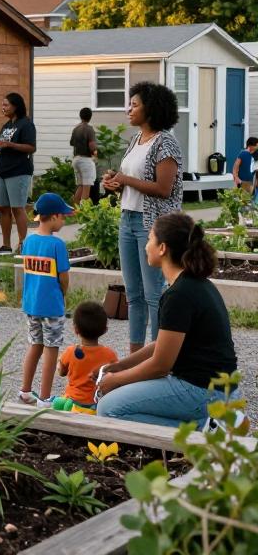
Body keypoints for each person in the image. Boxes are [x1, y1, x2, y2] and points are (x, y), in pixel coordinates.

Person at [96, 213, 246, 430]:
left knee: (108, 408)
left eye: (149, 239)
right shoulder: (195, 284)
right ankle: (212, 424)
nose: (146, 246)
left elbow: (160, 366)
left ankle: (206, 429)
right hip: (219, 389)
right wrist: (120, 366)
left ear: (162, 248)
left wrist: (117, 380)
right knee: (120, 398)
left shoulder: (179, 295)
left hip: (204, 392)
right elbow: (163, 345)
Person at [103, 82, 183, 352]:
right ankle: (135, 355)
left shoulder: (166, 142)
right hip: (127, 219)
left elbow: (163, 188)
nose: (129, 109)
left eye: (135, 105)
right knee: (133, 295)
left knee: (153, 294)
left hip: (151, 226)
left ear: (151, 109)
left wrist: (126, 179)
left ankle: (158, 356)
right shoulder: (136, 140)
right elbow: (134, 181)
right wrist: (116, 182)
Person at [18, 193, 72, 406]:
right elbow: (64, 277)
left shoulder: (28, 241)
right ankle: (46, 396)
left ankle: (25, 390)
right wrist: (63, 294)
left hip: (31, 304)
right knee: (51, 349)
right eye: (63, 217)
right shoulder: (57, 245)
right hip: (51, 306)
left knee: (35, 345)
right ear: (54, 217)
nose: (64, 221)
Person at [0, 92, 36, 254]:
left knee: (17, 208)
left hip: (18, 172)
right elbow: (3, 144)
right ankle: (6, 245)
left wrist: (10, 145)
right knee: (3, 208)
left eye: (6, 105)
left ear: (16, 106)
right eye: (2, 105)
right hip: (3, 171)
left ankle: (23, 244)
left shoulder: (26, 124)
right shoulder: (7, 125)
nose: (3, 108)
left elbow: (31, 147)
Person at [58, 301, 118, 412]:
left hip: (72, 403)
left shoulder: (70, 351)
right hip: (96, 405)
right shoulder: (110, 355)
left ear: (76, 329)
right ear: (105, 330)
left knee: (56, 402)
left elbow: (61, 372)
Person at [70, 107, 98, 206]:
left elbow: (72, 143)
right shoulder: (89, 128)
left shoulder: (76, 128)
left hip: (76, 159)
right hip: (85, 160)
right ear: (90, 117)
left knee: (81, 185)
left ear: (80, 116)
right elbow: (91, 145)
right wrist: (96, 153)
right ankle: (83, 211)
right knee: (87, 186)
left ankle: (75, 210)